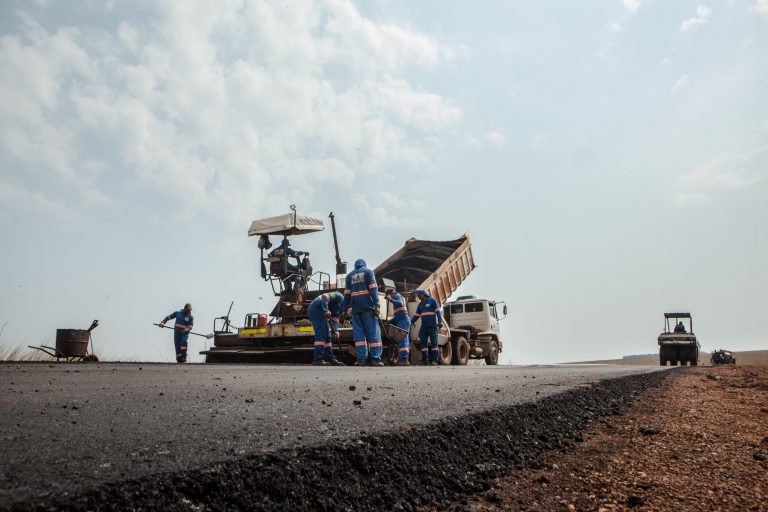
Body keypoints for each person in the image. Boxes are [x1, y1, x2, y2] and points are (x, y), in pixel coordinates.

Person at [342, 259, 383, 366]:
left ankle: (361, 360)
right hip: (368, 308)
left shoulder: (349, 276)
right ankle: (375, 359)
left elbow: (346, 294)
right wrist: (377, 304)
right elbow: (373, 289)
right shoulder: (368, 272)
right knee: (373, 333)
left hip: (356, 310)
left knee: (359, 336)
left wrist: (344, 309)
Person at [306, 292, 345, 366]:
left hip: (322, 313)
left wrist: (335, 331)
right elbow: (324, 296)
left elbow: (334, 320)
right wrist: (326, 310)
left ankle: (330, 359)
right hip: (315, 309)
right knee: (321, 334)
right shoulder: (339, 296)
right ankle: (317, 359)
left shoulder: (342, 309)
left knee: (327, 336)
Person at [410, 289, 443, 366]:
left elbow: (437, 311)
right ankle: (425, 362)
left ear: (423, 294)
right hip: (424, 327)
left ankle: (435, 361)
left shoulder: (432, 300)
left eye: (419, 295)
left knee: (434, 343)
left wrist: (440, 321)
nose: (418, 297)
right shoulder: (420, 305)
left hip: (432, 326)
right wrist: (411, 322)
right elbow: (416, 315)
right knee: (423, 344)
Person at [385, 286, 411, 366]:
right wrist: (388, 323)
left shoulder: (397, 296)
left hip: (404, 321)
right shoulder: (396, 298)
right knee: (400, 340)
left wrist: (390, 299)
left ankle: (404, 360)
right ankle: (402, 358)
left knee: (403, 339)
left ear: (390, 294)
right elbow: (397, 317)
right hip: (401, 321)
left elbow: (400, 304)